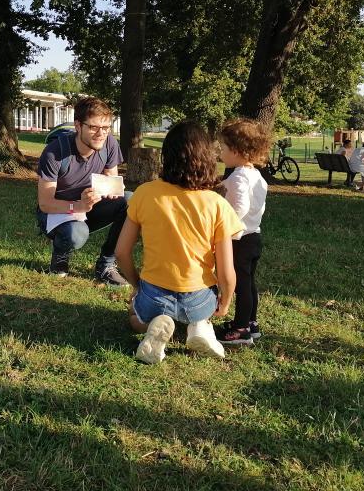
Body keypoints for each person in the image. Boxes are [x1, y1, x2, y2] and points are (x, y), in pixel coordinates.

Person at [115, 121, 244, 364]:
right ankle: (200, 326)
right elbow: (227, 271)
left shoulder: (144, 193)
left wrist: (136, 286)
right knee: (201, 311)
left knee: (134, 316)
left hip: (153, 293)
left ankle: (153, 324)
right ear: (207, 158)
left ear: (166, 157)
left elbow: (121, 252)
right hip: (199, 299)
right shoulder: (217, 204)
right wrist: (224, 304)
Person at [36, 97, 130, 286]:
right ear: (78, 126)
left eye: (106, 128)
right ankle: (60, 254)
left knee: (131, 201)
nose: (101, 134)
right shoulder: (54, 152)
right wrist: (78, 205)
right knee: (77, 233)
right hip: (57, 212)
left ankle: (106, 265)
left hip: (87, 205)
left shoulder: (109, 143)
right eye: (94, 127)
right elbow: (45, 203)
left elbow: (111, 180)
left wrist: (110, 191)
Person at [215, 118, 270, 345]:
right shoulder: (255, 175)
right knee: (249, 284)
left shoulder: (238, 177)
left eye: (224, 148)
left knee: (240, 285)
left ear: (236, 151)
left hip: (240, 238)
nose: (221, 152)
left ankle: (240, 330)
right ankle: (251, 322)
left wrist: (226, 226)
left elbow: (240, 207)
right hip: (254, 235)